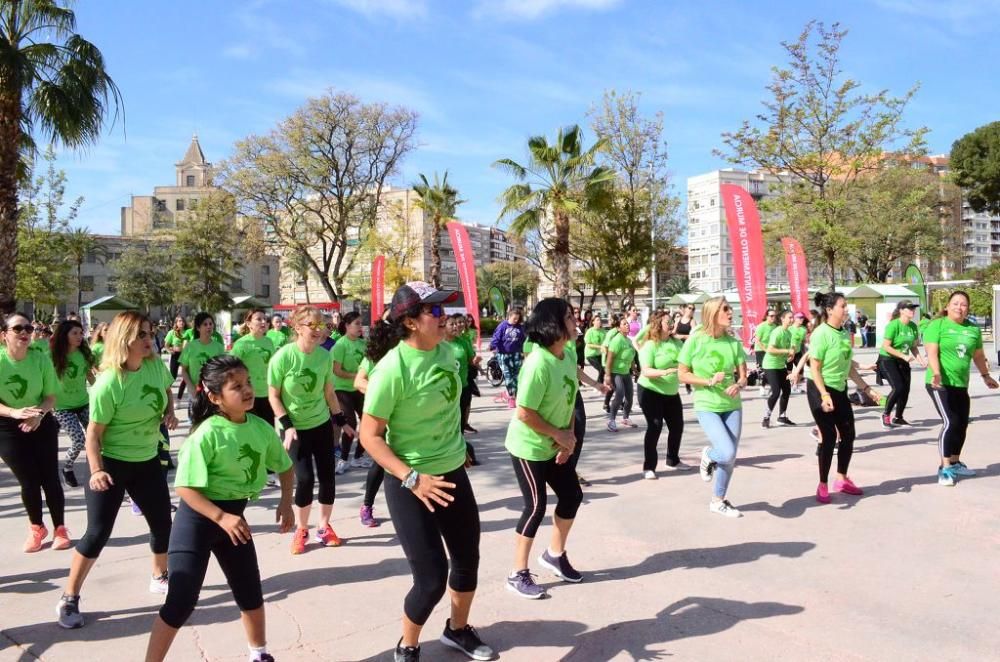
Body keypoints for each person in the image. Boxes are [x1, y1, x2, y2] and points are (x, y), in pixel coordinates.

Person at [359, 282, 493, 662]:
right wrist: (412, 478)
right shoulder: (391, 370)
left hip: (451, 473)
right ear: (411, 322)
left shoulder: (449, 353)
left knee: (467, 560)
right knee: (431, 578)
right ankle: (409, 645)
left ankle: (457, 630)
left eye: (443, 310)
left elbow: (448, 408)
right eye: (434, 312)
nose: (444, 317)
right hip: (410, 484)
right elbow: (370, 437)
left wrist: (457, 445)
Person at [144, 356, 294, 662]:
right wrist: (220, 516)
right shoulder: (206, 434)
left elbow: (286, 467)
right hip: (198, 521)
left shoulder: (261, 428)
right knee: (181, 602)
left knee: (250, 592)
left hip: (233, 522)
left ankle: (259, 654)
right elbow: (185, 488)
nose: (248, 389)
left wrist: (286, 501)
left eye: (248, 382)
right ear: (215, 397)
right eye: (236, 386)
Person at [57, 311, 178, 629]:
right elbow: (93, 435)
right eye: (142, 335)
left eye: (150, 333)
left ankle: (159, 575)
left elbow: (166, 390)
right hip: (111, 463)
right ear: (124, 339)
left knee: (163, 525)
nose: (149, 340)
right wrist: (96, 471)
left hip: (147, 460)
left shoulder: (154, 366)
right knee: (97, 534)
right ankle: (69, 597)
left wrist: (170, 412)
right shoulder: (110, 382)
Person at [504, 298, 584, 600]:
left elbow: (569, 399)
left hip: (555, 443)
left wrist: (569, 439)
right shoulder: (538, 362)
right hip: (529, 446)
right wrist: (557, 435)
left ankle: (554, 554)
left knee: (572, 495)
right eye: (569, 316)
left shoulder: (566, 354)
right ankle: (517, 573)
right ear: (553, 323)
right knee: (536, 506)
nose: (575, 321)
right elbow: (524, 412)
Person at [268, 305, 354, 554]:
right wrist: (287, 426)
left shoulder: (325, 356)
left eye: (322, 325)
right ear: (297, 327)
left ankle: (324, 527)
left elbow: (328, 392)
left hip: (320, 424)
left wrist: (341, 420)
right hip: (294, 428)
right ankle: (302, 529)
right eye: (312, 326)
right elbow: (273, 396)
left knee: (328, 478)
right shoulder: (284, 357)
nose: (318, 330)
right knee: (305, 478)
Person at [0, 312, 68, 552]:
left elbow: (51, 396)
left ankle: (60, 528)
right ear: (4, 335)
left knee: (49, 477)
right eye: (18, 329)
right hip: (7, 424)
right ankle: (37, 528)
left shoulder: (40, 359)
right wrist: (14, 413)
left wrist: (39, 414)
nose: (25, 333)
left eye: (28, 329)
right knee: (28, 479)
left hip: (41, 420)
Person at [806, 292, 879, 504]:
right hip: (819, 388)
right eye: (843, 306)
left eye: (846, 306)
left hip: (839, 388)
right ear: (830, 310)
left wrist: (866, 389)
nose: (846, 309)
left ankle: (842, 478)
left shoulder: (845, 334)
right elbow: (815, 368)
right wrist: (824, 394)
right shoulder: (821, 334)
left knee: (848, 434)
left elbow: (848, 367)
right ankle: (822, 484)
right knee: (828, 437)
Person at [678, 297, 747, 518]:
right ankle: (708, 454)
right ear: (712, 314)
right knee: (725, 452)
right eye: (725, 309)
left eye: (729, 309)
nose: (730, 312)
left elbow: (744, 376)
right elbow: (682, 374)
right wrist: (708, 381)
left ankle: (718, 500)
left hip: (732, 406)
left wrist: (738, 384)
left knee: (730, 456)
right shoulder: (696, 340)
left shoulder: (733, 343)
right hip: (707, 404)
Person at [924, 291, 999, 486]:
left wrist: (985, 376)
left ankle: (956, 462)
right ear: (947, 306)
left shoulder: (973, 329)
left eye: (963, 304)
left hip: (960, 383)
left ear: (968, 308)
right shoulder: (937, 325)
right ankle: (945, 468)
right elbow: (931, 352)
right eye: (955, 303)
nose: (959, 307)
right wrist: (937, 372)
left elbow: (978, 355)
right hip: (938, 383)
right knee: (950, 422)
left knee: (962, 423)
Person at [637, 311, 688, 478]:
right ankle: (649, 467)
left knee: (677, 426)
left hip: (671, 392)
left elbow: (687, 362)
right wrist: (665, 372)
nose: (672, 324)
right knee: (655, 426)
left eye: (672, 321)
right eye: (668, 322)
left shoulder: (677, 343)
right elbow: (646, 371)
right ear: (659, 325)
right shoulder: (650, 345)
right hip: (650, 391)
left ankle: (672, 460)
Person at [50, 319, 97, 488]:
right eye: (74, 333)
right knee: (79, 440)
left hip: (83, 402)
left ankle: (97, 469)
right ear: (65, 335)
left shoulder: (84, 354)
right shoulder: (54, 356)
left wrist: (99, 392)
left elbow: (90, 376)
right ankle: (67, 469)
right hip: (63, 407)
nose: (79, 336)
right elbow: (46, 379)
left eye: (80, 333)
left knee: (97, 437)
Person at [878, 301, 925, 429]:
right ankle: (885, 415)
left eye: (913, 308)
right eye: (909, 308)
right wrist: (903, 355)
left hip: (902, 361)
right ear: (901, 310)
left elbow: (914, 347)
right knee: (898, 387)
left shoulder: (913, 327)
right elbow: (886, 346)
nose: (912, 310)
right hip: (888, 359)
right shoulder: (893, 325)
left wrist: (921, 361)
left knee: (905, 390)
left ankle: (898, 417)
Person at [332, 311, 369, 473]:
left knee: (369, 420)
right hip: (342, 389)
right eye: (357, 323)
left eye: (361, 323)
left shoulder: (363, 344)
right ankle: (344, 459)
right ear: (347, 326)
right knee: (350, 423)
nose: (360, 327)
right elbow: (337, 371)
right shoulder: (340, 345)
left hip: (360, 388)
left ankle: (358, 457)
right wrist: (357, 375)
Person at [229, 310, 277, 427]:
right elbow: (230, 368)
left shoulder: (269, 341)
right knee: (251, 430)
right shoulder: (241, 344)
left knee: (267, 429)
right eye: (259, 319)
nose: (263, 322)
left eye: (265, 319)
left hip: (268, 394)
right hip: (249, 395)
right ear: (249, 323)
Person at [446, 314, 480, 461]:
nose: (456, 326)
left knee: (459, 423)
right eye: (451, 324)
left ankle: (459, 453)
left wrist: (475, 360)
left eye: (457, 324)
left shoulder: (463, 341)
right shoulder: (438, 344)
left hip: (463, 388)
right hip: (445, 391)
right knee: (447, 423)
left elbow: (471, 360)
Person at [179, 313, 226, 415]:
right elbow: (183, 370)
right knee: (194, 423)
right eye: (205, 324)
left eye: (210, 324)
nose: (209, 326)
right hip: (195, 392)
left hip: (213, 392)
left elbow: (222, 370)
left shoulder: (219, 347)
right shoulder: (190, 347)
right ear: (198, 328)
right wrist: (191, 387)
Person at [761, 310, 797, 428]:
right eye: (789, 318)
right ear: (782, 319)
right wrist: (787, 351)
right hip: (770, 365)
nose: (792, 320)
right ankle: (766, 418)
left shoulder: (788, 333)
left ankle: (782, 417)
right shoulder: (777, 332)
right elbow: (770, 349)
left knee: (787, 390)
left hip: (781, 365)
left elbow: (788, 350)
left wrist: (790, 355)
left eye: (792, 318)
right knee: (776, 392)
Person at [604, 317, 637, 432]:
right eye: (624, 324)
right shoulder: (616, 341)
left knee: (630, 396)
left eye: (627, 324)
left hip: (626, 372)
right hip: (615, 372)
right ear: (618, 328)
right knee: (620, 394)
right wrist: (607, 375)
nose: (627, 325)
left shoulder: (628, 341)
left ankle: (625, 418)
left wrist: (635, 370)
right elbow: (609, 359)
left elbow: (631, 357)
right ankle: (611, 421)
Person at [489, 308, 525, 408]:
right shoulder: (503, 326)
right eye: (514, 318)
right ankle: (511, 397)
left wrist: (524, 351)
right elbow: (496, 337)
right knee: (508, 376)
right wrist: (492, 345)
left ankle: (516, 395)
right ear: (509, 316)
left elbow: (524, 340)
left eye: (518, 319)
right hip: (503, 355)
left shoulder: (520, 328)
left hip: (516, 355)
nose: (516, 321)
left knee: (516, 377)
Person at [753, 309, 777, 395]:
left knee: (771, 369)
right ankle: (762, 388)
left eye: (774, 316)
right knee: (763, 370)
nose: (773, 318)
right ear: (767, 316)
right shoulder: (761, 326)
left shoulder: (775, 326)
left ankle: (771, 387)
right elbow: (757, 341)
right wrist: (765, 350)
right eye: (771, 316)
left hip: (770, 350)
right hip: (760, 350)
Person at [164, 316, 188, 400]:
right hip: (175, 355)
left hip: (185, 356)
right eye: (179, 321)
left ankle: (179, 397)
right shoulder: (172, 332)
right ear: (176, 323)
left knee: (187, 376)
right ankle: (164, 392)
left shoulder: (187, 332)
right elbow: (166, 345)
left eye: (183, 321)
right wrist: (170, 351)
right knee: (173, 376)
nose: (182, 322)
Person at [583, 314, 607, 384]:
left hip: (600, 354)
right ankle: (598, 385)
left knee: (603, 369)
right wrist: (600, 347)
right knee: (601, 369)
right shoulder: (590, 331)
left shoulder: (603, 331)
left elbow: (605, 342)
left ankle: (600, 385)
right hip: (590, 355)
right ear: (593, 322)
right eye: (597, 320)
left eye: (600, 320)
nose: (599, 321)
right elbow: (588, 344)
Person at [789, 313, 808, 393]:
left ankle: (795, 386)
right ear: (794, 319)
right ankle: (788, 386)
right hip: (788, 352)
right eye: (799, 318)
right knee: (788, 371)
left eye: (802, 318)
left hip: (798, 352)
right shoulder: (789, 328)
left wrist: (804, 353)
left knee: (800, 371)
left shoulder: (804, 329)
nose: (801, 319)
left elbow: (803, 342)